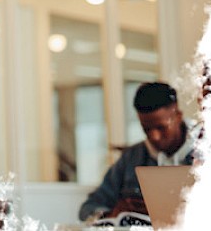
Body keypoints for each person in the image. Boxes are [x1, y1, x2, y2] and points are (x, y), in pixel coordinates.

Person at [78, 81, 202, 222]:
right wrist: (111, 214)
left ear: (178, 115)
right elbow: (88, 208)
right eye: (146, 129)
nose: (154, 137)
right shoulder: (130, 158)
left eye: (161, 127)